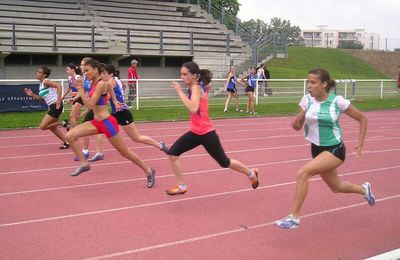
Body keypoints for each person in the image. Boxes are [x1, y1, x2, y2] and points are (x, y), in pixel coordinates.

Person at [275, 68, 375, 229]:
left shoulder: (337, 101)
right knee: (337, 187)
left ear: (324, 84)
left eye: (313, 82)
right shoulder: (307, 100)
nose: (309, 85)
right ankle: (364, 190)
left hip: (335, 150)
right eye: (308, 82)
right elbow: (297, 126)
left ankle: (294, 217)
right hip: (316, 149)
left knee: (303, 173)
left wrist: (360, 143)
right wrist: (297, 121)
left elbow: (362, 119)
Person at [164, 61, 259, 195]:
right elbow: (208, 85)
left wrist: (179, 91)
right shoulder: (198, 86)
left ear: (194, 75)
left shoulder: (196, 88)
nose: (182, 77)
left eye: (185, 74)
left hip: (207, 134)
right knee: (173, 154)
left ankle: (251, 173)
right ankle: (181, 186)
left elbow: (193, 107)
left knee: (224, 162)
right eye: (181, 74)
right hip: (195, 133)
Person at [65, 59, 156, 188]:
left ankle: (148, 171)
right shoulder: (94, 82)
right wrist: (114, 100)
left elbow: (90, 105)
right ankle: (84, 163)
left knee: (125, 153)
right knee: (69, 136)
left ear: (95, 70)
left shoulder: (101, 84)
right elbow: (110, 90)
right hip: (97, 122)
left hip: (108, 123)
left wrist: (79, 89)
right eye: (84, 71)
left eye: (87, 70)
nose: (84, 73)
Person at [87, 64, 169, 162]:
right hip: (117, 112)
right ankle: (99, 152)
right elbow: (124, 86)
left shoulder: (111, 81)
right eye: (101, 73)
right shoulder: (116, 80)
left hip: (122, 113)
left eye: (104, 73)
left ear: (111, 74)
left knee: (136, 138)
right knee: (100, 126)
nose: (102, 75)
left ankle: (160, 145)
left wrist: (96, 96)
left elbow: (107, 96)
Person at [24, 66, 70, 149]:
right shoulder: (41, 85)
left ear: (44, 75)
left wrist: (59, 100)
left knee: (43, 126)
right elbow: (41, 99)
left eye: (39, 72)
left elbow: (59, 85)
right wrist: (32, 95)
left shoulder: (46, 81)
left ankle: (63, 123)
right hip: (52, 106)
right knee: (52, 127)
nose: (37, 73)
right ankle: (66, 142)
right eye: (37, 71)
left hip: (56, 105)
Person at [61, 63, 84, 130]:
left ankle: (73, 131)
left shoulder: (78, 78)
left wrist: (74, 97)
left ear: (73, 70)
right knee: (76, 116)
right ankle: (75, 128)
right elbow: (70, 87)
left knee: (72, 115)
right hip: (74, 98)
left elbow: (82, 90)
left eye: (68, 70)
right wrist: (63, 96)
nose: (66, 71)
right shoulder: (69, 78)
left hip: (80, 97)